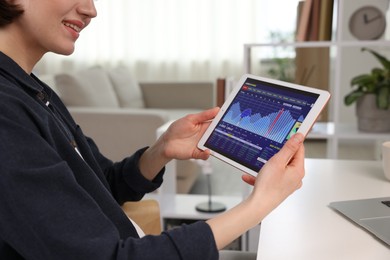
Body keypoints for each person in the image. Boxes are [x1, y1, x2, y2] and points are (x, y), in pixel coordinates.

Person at [0, 0, 305, 259]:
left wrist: (161, 150)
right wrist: (259, 204)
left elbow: (102, 184)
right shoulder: (6, 111)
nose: (90, 9)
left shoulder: (33, 91)